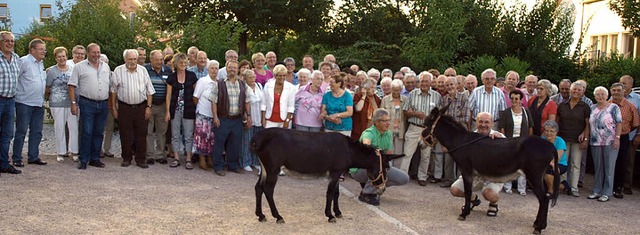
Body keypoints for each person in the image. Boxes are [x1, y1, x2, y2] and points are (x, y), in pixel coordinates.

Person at [450, 112, 506, 217]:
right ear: (476, 122)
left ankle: (494, 203)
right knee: (454, 190)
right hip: (474, 176)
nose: (483, 125)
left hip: (492, 177)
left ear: (492, 123)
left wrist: (500, 143)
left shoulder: (500, 137)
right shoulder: (469, 138)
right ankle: (473, 199)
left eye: (486, 122)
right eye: (480, 121)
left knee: (488, 194)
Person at [352, 108, 410, 206]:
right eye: (384, 121)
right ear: (376, 122)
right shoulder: (369, 132)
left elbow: (388, 154)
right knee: (378, 166)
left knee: (404, 178)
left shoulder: (388, 133)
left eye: (388, 120)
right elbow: (366, 143)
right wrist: (372, 149)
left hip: (375, 168)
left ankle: (374, 186)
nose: (388, 123)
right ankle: (366, 193)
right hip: (359, 170)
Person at [68, 43, 110, 170]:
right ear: (88, 53)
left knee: (98, 132)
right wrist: (73, 103)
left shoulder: (105, 66)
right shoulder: (79, 67)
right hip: (87, 103)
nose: (97, 55)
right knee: (86, 131)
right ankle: (84, 159)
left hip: (103, 103)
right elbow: (71, 85)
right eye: (94, 52)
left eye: (98, 52)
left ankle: (95, 158)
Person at [111, 49, 155, 168]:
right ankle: (126, 158)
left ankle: (141, 159)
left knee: (141, 133)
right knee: (125, 133)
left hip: (141, 106)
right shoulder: (118, 71)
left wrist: (148, 107)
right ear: (125, 59)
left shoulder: (143, 70)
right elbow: (113, 91)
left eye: (135, 59)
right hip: (125, 107)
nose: (133, 61)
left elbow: (150, 91)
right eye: (130, 59)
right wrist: (114, 108)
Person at [210, 60, 253, 176]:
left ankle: (232, 165)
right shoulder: (218, 84)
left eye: (235, 68)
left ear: (238, 69)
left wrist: (249, 116)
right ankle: (218, 166)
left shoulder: (243, 85)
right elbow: (213, 102)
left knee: (235, 143)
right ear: (226, 69)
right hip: (223, 118)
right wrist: (215, 117)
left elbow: (247, 101)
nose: (232, 70)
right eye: (230, 68)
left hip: (237, 119)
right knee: (219, 143)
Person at [12, 38, 48, 168]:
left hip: (38, 103)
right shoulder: (23, 62)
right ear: (32, 50)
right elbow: (14, 78)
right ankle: (16, 158)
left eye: (44, 49)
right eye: (41, 49)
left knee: (37, 131)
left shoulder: (41, 63)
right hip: (24, 102)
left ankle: (33, 156)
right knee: (21, 131)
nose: (44, 51)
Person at [400, 72, 441, 186]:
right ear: (419, 82)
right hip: (414, 127)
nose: (424, 84)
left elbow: (439, 115)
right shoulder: (412, 94)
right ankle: (403, 177)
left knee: (426, 155)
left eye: (426, 81)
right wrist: (416, 114)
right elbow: (405, 112)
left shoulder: (436, 96)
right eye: (422, 81)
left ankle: (422, 177)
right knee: (407, 154)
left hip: (427, 130)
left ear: (430, 83)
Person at [556, 80, 591, 197]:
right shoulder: (562, 105)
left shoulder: (585, 107)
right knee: (563, 163)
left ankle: (574, 187)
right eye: (574, 89)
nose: (576, 91)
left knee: (576, 164)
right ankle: (562, 185)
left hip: (577, 140)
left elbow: (587, 124)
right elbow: (557, 122)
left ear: (582, 93)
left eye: (579, 90)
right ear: (570, 91)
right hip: (563, 138)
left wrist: (586, 138)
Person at [587, 86, 622, 202]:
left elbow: (619, 123)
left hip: (610, 141)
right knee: (598, 167)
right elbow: (588, 124)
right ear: (595, 96)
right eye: (598, 94)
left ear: (607, 96)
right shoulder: (592, 108)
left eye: (602, 94)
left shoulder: (613, 107)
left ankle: (606, 192)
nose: (600, 96)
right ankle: (597, 190)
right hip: (595, 141)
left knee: (609, 167)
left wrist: (617, 138)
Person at [435, 76, 470, 187]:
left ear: (456, 85)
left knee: (461, 157)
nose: (450, 87)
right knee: (448, 156)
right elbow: (441, 118)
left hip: (460, 132)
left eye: (451, 84)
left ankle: (461, 181)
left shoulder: (464, 98)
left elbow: (465, 117)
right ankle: (448, 179)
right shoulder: (444, 99)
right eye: (447, 85)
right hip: (448, 133)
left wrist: (451, 123)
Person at [165, 53, 198, 170]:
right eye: (181, 63)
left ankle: (188, 158)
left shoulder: (192, 76)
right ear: (176, 64)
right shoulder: (171, 77)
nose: (183, 65)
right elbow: (168, 95)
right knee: (175, 135)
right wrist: (167, 111)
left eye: (185, 63)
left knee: (189, 135)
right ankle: (176, 158)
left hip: (189, 109)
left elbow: (196, 94)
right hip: (175, 109)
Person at [46, 46, 79, 162]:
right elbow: (47, 87)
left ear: (67, 56)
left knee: (74, 127)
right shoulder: (51, 71)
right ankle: (60, 152)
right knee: (59, 127)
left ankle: (74, 151)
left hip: (71, 102)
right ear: (55, 58)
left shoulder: (72, 69)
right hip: (57, 103)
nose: (62, 58)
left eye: (63, 56)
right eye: (59, 56)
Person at [499, 90, 534, 195]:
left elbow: (530, 127)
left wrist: (530, 140)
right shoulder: (506, 112)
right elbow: (502, 127)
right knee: (508, 164)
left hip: (522, 143)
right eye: (512, 98)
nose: (514, 101)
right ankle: (507, 186)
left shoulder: (526, 112)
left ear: (520, 100)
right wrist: (504, 140)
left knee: (522, 165)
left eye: (516, 99)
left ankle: (521, 188)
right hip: (510, 142)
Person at [609, 83, 639, 199]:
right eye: (614, 90)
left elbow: (636, 123)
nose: (616, 93)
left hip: (623, 137)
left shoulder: (630, 106)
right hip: (608, 138)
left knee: (621, 163)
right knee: (609, 162)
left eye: (618, 91)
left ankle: (618, 188)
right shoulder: (607, 104)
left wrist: (625, 130)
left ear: (623, 92)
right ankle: (608, 187)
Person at [145, 50, 172, 165]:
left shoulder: (168, 70)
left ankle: (161, 154)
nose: (160, 62)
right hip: (149, 105)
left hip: (162, 105)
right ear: (151, 60)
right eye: (157, 60)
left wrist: (168, 109)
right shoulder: (145, 70)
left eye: (161, 59)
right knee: (148, 131)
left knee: (162, 131)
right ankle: (150, 155)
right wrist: (147, 106)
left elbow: (170, 90)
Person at [0, 31, 21, 174]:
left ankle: (3, 164)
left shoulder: (16, 58)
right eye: (6, 41)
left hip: (10, 100)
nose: (10, 44)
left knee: (8, 134)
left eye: (12, 41)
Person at [192, 60, 219, 170]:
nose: (214, 70)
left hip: (214, 115)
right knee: (202, 138)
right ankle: (202, 160)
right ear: (207, 69)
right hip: (203, 114)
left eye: (216, 68)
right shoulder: (203, 81)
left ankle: (210, 159)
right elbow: (195, 98)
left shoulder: (219, 82)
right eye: (212, 68)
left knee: (211, 139)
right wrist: (200, 109)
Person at [620, 75, 640, 195]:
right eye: (620, 82)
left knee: (629, 161)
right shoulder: (615, 96)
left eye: (624, 83)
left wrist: (638, 134)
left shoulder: (637, 99)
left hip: (631, 135)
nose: (621, 85)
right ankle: (616, 184)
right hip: (616, 135)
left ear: (631, 85)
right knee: (616, 160)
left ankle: (627, 185)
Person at [240, 70, 263, 172]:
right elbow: (242, 104)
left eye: (254, 77)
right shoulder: (243, 88)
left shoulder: (259, 86)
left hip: (258, 118)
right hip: (249, 117)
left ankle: (256, 162)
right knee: (247, 141)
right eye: (250, 78)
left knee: (257, 142)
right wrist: (245, 118)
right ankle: (245, 162)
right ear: (245, 79)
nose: (253, 79)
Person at [261, 64, 296, 129]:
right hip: (270, 119)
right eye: (280, 75)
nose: (282, 78)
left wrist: (287, 121)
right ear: (275, 75)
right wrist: (263, 118)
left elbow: (291, 106)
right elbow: (263, 104)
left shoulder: (291, 87)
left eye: (284, 75)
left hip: (284, 120)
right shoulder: (268, 85)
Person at [542, 120, 569, 197]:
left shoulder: (560, 141)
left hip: (559, 164)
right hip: (546, 163)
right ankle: (563, 186)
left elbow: (557, 158)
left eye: (551, 131)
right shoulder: (542, 140)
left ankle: (551, 192)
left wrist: (552, 164)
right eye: (546, 130)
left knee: (548, 170)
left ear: (556, 132)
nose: (549, 133)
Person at [381, 79, 406, 155]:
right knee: (388, 152)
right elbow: (381, 115)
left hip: (400, 129)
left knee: (398, 153)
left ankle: (397, 167)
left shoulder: (405, 99)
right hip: (388, 129)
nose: (396, 92)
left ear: (401, 90)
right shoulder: (385, 99)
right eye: (394, 90)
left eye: (398, 90)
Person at [100, 54, 116, 158]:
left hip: (110, 105)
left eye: (105, 63)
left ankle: (107, 149)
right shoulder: (95, 74)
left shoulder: (112, 75)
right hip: (99, 105)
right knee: (99, 129)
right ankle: (98, 149)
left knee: (109, 128)